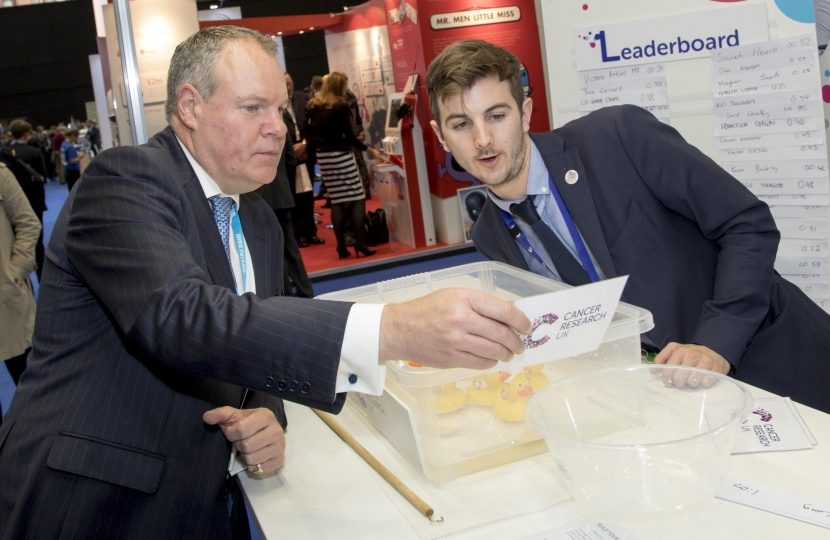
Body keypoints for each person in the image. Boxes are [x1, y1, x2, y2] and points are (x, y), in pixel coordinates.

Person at [0, 27, 531, 539]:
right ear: (190, 106)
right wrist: (392, 330)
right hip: (96, 504)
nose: (279, 127)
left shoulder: (254, 218)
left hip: (206, 503)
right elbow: (182, 317)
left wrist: (266, 417)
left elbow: (253, 350)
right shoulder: (126, 179)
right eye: (253, 108)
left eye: (279, 109)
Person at [425, 40, 830, 413]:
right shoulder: (490, 237)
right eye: (461, 124)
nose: (483, 140)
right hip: (670, 401)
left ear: (526, 112)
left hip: (777, 364)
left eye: (496, 116)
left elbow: (747, 224)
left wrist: (714, 343)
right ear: (441, 136)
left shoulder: (616, 137)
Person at [306, 72, 382, 259]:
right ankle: (361, 243)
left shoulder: (313, 105)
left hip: (324, 158)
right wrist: (369, 150)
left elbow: (309, 135)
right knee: (357, 197)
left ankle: (341, 246)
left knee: (337, 201)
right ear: (338, 87)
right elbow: (349, 136)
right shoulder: (340, 105)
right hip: (342, 156)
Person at [0, 161, 40, 424]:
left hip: (5, 299)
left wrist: (14, 272)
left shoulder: (1, 174)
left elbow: (29, 223)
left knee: (30, 387)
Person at [254, 130, 314, 298]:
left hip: (258, 198)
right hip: (281, 194)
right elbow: (290, 160)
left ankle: (285, 294)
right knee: (289, 246)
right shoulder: (280, 129)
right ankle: (305, 290)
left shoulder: (248, 131)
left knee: (272, 249)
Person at [284, 73, 323, 247]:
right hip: (288, 160)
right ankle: (298, 234)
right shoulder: (274, 103)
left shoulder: (303, 98)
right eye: (285, 85)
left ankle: (311, 232)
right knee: (293, 198)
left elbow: (312, 126)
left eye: (290, 84)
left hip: (306, 155)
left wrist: (305, 145)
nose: (289, 88)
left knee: (308, 196)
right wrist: (293, 152)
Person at [6, 120, 48, 281]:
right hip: (34, 202)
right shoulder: (34, 152)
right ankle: (43, 281)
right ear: (26, 134)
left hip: (12, 206)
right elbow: (42, 176)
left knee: (15, 244)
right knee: (37, 243)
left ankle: (23, 282)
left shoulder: (5, 154)